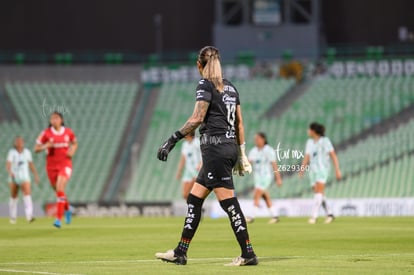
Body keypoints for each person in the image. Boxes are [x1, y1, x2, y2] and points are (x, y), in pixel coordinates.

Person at [155, 46, 258, 266]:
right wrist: (241, 153)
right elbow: (239, 122)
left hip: (215, 150)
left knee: (228, 203)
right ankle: (180, 252)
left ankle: (248, 253)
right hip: (227, 148)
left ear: (199, 65)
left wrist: (171, 140)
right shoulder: (230, 87)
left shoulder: (205, 84)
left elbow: (197, 118)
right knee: (194, 198)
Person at [34, 112, 77, 228]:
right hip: (51, 166)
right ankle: (67, 209)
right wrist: (45, 146)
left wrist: (72, 151)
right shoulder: (46, 133)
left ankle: (58, 219)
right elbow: (36, 148)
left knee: (59, 188)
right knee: (58, 191)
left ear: (61, 120)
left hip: (65, 164)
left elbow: (74, 143)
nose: (54, 120)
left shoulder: (68, 132)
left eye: (56, 118)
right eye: (52, 118)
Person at [299, 122, 341, 224]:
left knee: (318, 192)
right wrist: (302, 168)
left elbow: (333, 155)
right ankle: (330, 213)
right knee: (319, 193)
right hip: (313, 171)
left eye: (309, 129)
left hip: (322, 169)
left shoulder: (325, 141)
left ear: (313, 131)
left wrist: (337, 169)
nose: (308, 131)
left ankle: (314, 216)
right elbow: (307, 156)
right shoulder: (309, 142)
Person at [247, 132, 282, 224]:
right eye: (255, 139)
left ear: (263, 139)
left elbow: (274, 165)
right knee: (265, 197)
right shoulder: (253, 151)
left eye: (258, 139)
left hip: (266, 177)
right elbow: (249, 163)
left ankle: (251, 216)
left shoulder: (268, 150)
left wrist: (278, 178)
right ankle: (275, 216)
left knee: (257, 194)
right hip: (257, 177)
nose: (256, 141)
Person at [6, 136, 40, 224]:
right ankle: (13, 217)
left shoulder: (27, 152)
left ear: (23, 143)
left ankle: (29, 216)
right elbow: (8, 164)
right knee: (14, 195)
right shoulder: (12, 152)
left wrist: (35, 174)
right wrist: (10, 172)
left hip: (25, 176)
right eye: (17, 141)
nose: (19, 143)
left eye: (21, 141)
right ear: (15, 143)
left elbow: (30, 164)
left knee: (27, 194)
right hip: (14, 176)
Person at [176, 131, 202, 200]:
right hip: (188, 171)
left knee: (194, 192)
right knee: (185, 195)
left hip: (197, 170)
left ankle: (196, 207)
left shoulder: (197, 142)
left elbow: (204, 153)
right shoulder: (185, 144)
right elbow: (183, 158)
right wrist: (179, 171)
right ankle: (195, 207)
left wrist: (201, 163)